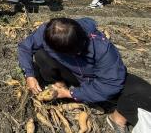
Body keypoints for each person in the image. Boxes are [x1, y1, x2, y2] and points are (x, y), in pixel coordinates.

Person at [18, 17, 151, 133]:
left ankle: (117, 118)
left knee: (145, 93)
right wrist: (29, 74)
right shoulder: (49, 30)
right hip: (71, 75)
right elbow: (25, 47)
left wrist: (71, 94)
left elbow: (111, 84)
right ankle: (59, 84)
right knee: (41, 55)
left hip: (95, 80)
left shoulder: (102, 48)